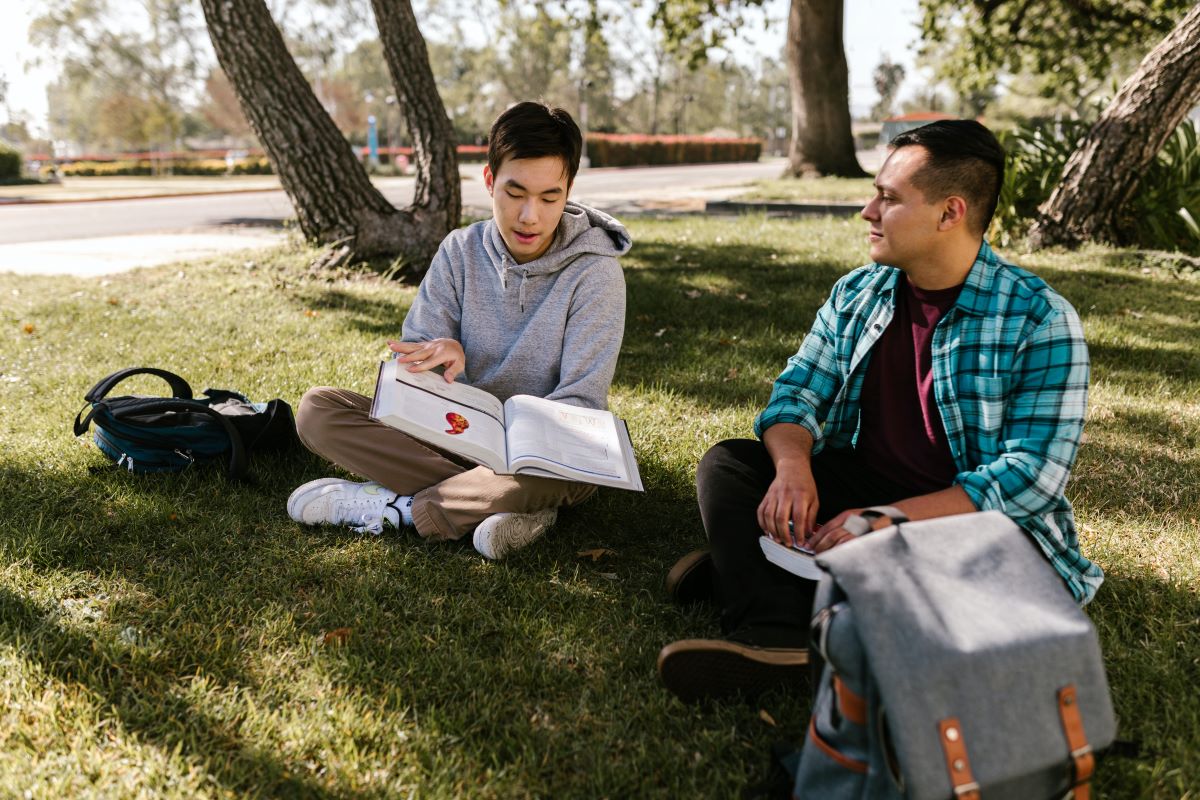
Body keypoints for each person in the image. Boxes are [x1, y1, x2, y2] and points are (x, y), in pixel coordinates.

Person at [657, 120, 1100, 703]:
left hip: (960, 523)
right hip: (862, 492)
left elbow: (1027, 481)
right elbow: (796, 394)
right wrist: (793, 469)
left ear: (950, 213)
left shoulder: (1040, 319)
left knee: (958, 597)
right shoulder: (858, 293)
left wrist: (885, 521)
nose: (868, 211)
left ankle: (755, 587)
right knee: (732, 465)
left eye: (889, 198)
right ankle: (778, 619)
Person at [287, 101, 631, 559]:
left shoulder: (596, 273)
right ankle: (504, 506)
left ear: (568, 191)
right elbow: (410, 377)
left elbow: (581, 401)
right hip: (451, 434)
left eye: (550, 198)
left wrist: (523, 448)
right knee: (317, 410)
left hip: (542, 457)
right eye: (515, 193)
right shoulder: (458, 251)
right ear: (489, 182)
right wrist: (439, 360)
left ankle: (404, 508)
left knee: (570, 471)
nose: (530, 215)